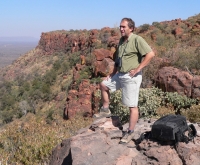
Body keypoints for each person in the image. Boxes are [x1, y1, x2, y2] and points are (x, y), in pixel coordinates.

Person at [93, 18, 155, 144]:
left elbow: (150, 54)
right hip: (120, 74)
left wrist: (138, 69)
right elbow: (118, 59)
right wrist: (113, 73)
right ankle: (105, 110)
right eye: (120, 27)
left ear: (131, 28)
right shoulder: (121, 41)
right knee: (104, 85)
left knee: (132, 106)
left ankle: (130, 132)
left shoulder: (137, 39)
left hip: (131, 76)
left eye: (123, 27)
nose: (121, 29)